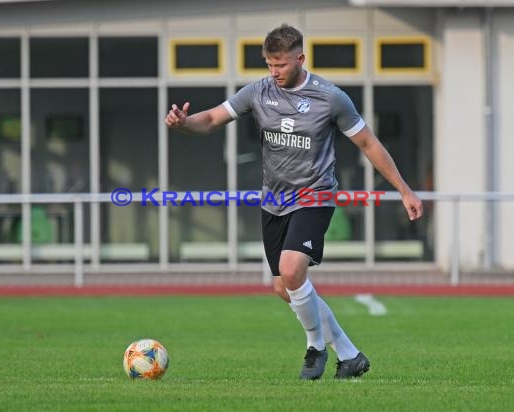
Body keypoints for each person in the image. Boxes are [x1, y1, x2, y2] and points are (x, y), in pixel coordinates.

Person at [165, 24, 423, 380]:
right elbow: (211, 119)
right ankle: (349, 355)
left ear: (300, 59)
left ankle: (315, 347)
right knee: (284, 287)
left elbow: (368, 144)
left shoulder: (330, 97)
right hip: (273, 201)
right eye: (269, 65)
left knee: (291, 270)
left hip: (315, 195)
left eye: (281, 65)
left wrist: (404, 190)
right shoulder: (259, 91)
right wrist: (183, 124)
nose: (274, 72)